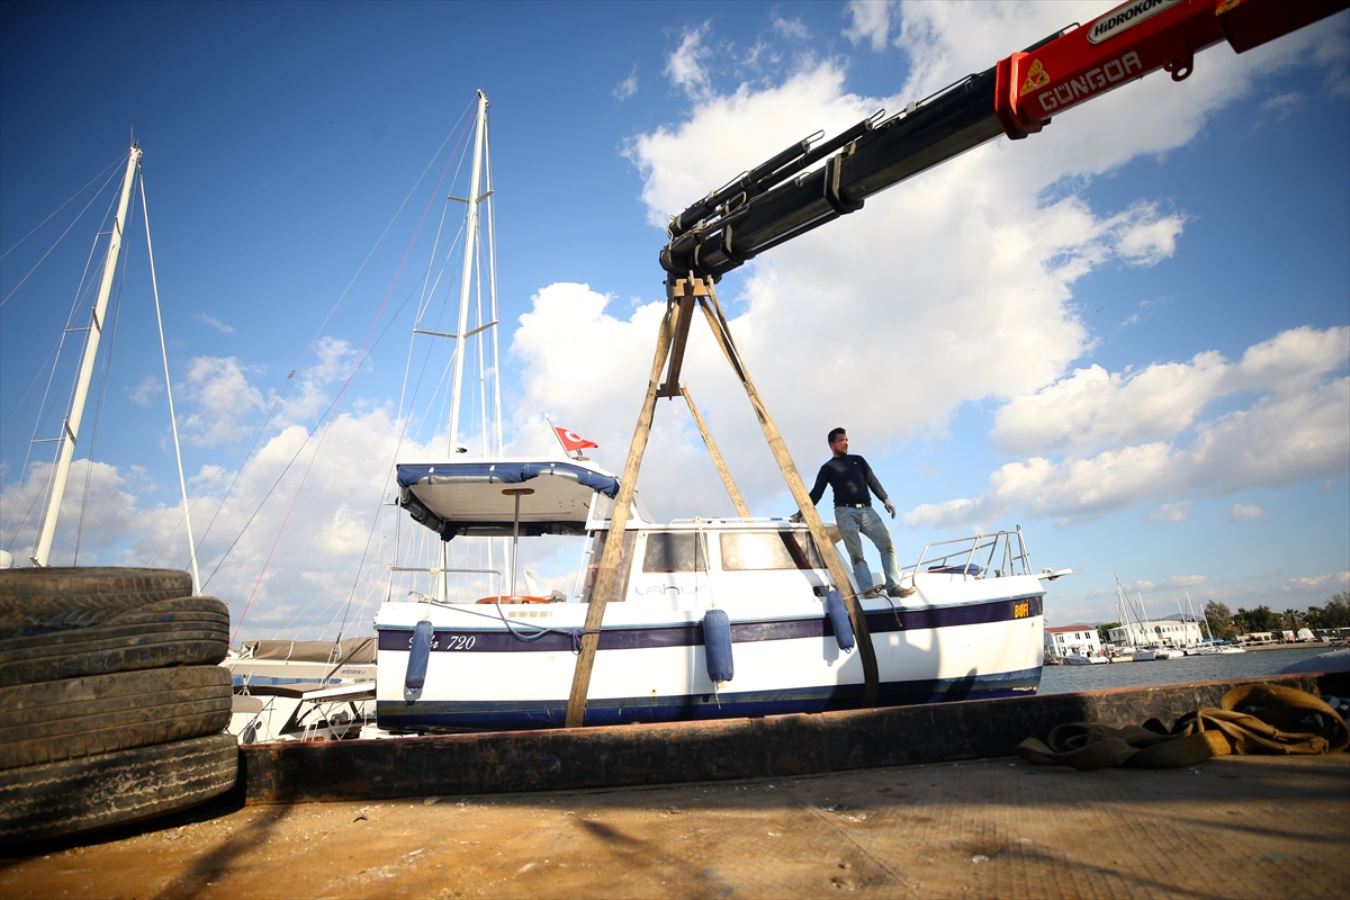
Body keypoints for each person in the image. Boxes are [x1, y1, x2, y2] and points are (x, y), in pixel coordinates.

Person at [797, 427, 910, 598]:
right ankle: (868, 589)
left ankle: (893, 586)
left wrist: (885, 500)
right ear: (832, 444)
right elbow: (817, 492)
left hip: (867, 510)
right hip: (844, 512)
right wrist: (801, 512)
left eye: (847, 439)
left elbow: (872, 480)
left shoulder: (858, 460)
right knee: (857, 554)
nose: (846, 442)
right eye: (842, 440)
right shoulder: (828, 468)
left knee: (887, 545)